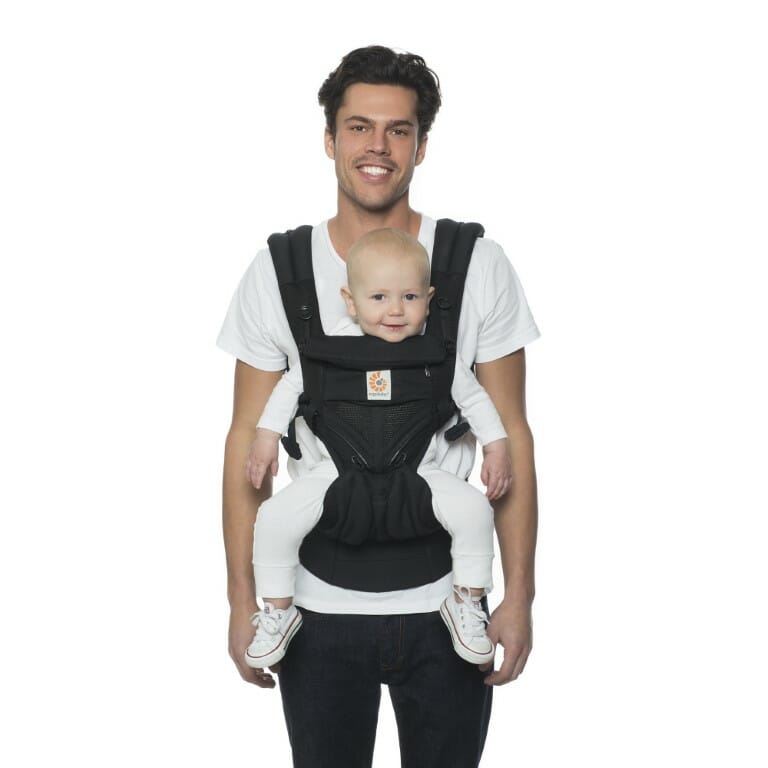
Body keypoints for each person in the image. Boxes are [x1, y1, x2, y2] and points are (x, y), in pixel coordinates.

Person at [218, 45, 540, 768]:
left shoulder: (476, 265)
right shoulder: (278, 272)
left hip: (447, 609)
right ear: (329, 139)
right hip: (315, 609)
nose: (377, 147)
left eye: (398, 130)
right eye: (358, 127)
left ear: (421, 145)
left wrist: (517, 596)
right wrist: (244, 601)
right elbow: (246, 439)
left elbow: (511, 433)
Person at [243, 227, 512, 670]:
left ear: (429, 299)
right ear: (350, 302)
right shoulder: (327, 351)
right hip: (335, 471)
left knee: (475, 511)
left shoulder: (438, 356)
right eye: (379, 297)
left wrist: (496, 447)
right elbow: (290, 387)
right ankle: (277, 609)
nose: (395, 310)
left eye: (410, 297)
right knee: (273, 518)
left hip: (420, 470)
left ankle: (466, 599)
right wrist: (266, 437)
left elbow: (476, 400)